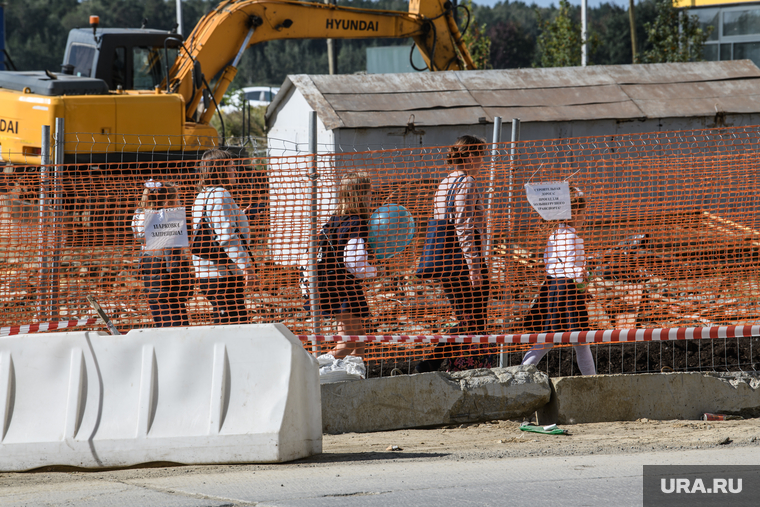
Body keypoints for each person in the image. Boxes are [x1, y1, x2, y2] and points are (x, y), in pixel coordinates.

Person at [416, 135, 494, 373]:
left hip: (445, 262)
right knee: (474, 319)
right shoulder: (467, 182)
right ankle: (435, 363)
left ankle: (454, 366)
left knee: (466, 318)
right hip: (463, 261)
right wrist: (474, 267)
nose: (483, 160)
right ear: (470, 155)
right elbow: (463, 227)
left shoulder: (444, 183)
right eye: (481, 154)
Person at [521, 187, 597, 376]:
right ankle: (594, 382)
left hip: (553, 288)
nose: (584, 216)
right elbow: (571, 268)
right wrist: (583, 277)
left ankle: (520, 374)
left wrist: (581, 285)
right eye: (583, 212)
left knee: (547, 341)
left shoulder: (554, 235)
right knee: (579, 341)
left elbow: (552, 265)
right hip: (567, 293)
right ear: (574, 213)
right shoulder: (570, 236)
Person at [317, 172, 378, 359]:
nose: (371, 196)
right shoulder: (356, 222)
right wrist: (374, 270)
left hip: (332, 283)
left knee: (358, 338)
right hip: (343, 287)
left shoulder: (333, 220)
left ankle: (356, 375)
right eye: (368, 192)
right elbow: (354, 262)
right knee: (347, 342)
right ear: (360, 194)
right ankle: (310, 371)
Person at [191, 149, 255, 324]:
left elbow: (213, 227)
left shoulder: (202, 195)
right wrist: (246, 267)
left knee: (226, 318)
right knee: (232, 322)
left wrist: (239, 216)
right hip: (222, 274)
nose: (235, 171)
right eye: (231, 167)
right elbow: (227, 237)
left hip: (208, 272)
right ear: (220, 171)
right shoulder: (220, 195)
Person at [131, 180, 192, 327]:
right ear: (168, 200)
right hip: (169, 288)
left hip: (151, 285)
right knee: (178, 330)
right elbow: (174, 264)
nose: (179, 201)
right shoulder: (171, 221)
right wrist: (188, 284)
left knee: (161, 330)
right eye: (177, 198)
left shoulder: (141, 218)